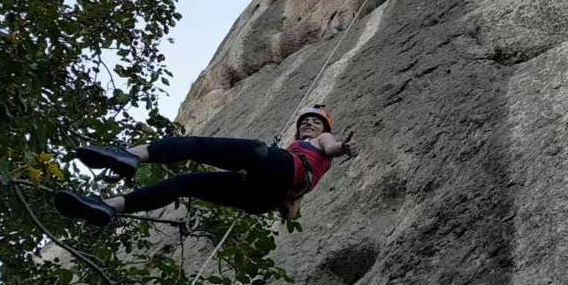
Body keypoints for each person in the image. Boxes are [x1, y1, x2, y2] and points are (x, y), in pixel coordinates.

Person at [54, 107, 354, 226]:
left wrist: (342, 147)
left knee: (201, 146)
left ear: (324, 129)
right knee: (186, 183)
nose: (309, 125)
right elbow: (291, 212)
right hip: (263, 197)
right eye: (305, 122)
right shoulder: (307, 162)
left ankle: (132, 155)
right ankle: (109, 206)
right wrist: (286, 205)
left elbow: (332, 146)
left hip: (279, 170)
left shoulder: (322, 142)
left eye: (315, 122)